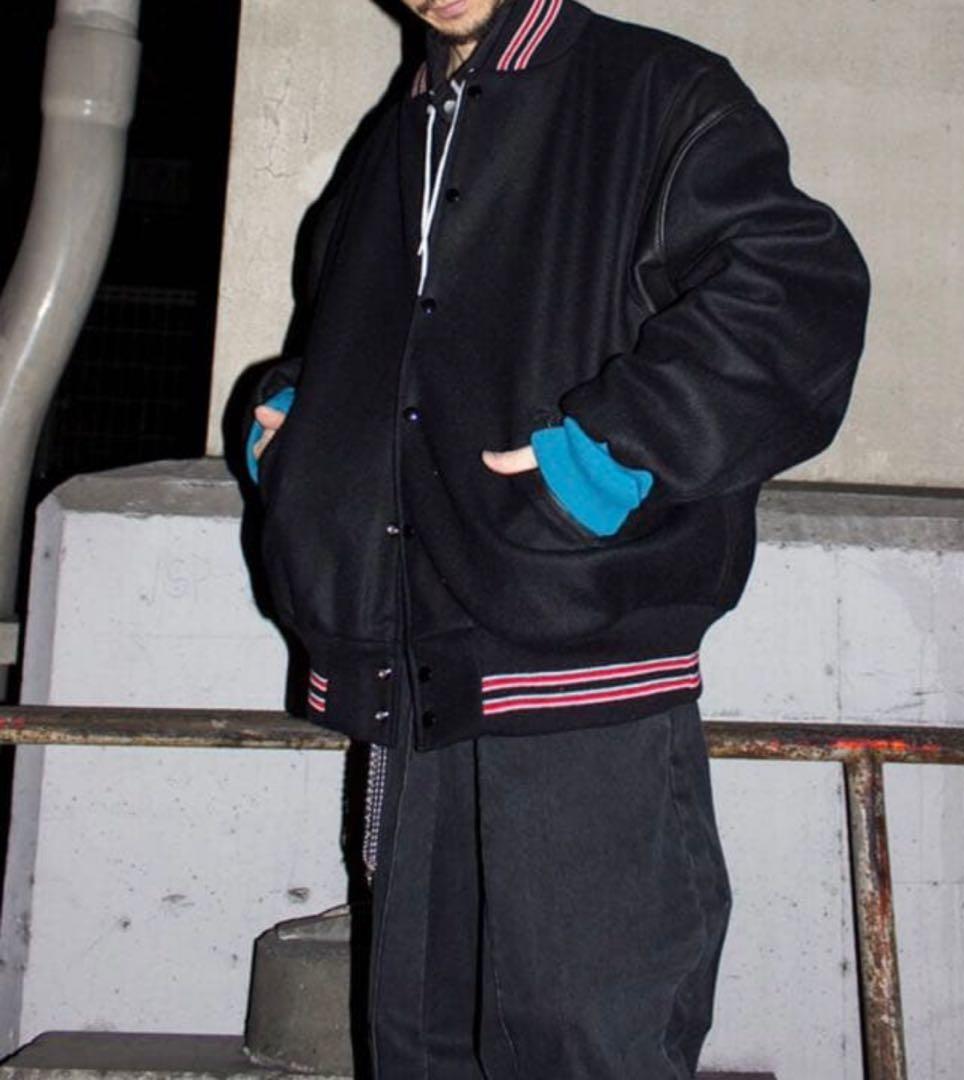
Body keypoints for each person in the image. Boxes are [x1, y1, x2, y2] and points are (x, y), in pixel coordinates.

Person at [242, 0, 869, 1076]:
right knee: (421, 1040)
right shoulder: (403, 129)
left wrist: (612, 453)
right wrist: (301, 425)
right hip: (414, 673)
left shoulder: (653, 91)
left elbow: (796, 294)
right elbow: (372, 338)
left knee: (585, 1043)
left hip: (577, 660)